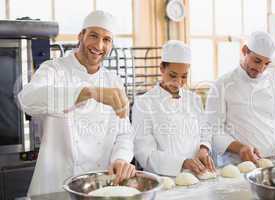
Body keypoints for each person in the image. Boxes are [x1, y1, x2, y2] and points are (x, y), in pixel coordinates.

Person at [18, 10, 136, 196]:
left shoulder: (114, 81)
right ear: (80, 36)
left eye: (107, 40)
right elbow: (28, 99)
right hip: (55, 187)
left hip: (99, 186)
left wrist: (121, 158)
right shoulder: (54, 69)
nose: (99, 45)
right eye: (93, 36)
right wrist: (88, 92)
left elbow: (124, 133)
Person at [205, 31, 275, 165]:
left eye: (266, 64)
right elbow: (213, 128)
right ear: (244, 51)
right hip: (238, 164)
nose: (261, 68)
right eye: (257, 61)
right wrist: (240, 148)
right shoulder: (222, 84)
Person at [132, 40, 215, 176]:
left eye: (184, 76)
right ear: (162, 69)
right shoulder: (144, 104)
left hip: (198, 176)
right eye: (173, 75)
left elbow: (205, 131)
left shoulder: (194, 99)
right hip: (164, 180)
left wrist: (204, 148)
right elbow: (145, 154)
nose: (178, 82)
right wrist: (181, 163)